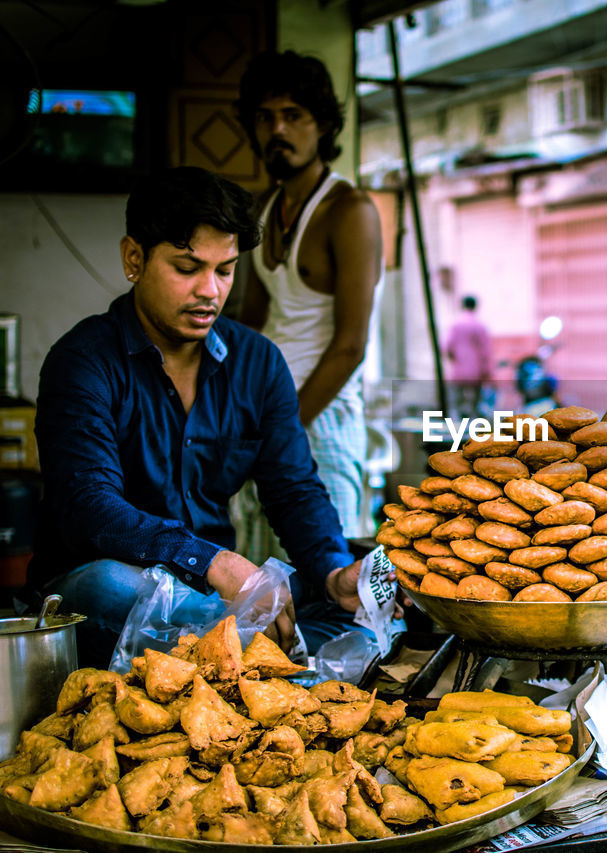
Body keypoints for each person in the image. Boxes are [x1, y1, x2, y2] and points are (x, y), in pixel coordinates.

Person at [28, 166, 365, 667]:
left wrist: (334, 571)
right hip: (104, 590)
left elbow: (293, 489)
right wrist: (212, 560)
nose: (210, 290)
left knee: (361, 611)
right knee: (108, 587)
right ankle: (274, 661)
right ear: (134, 258)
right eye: (187, 268)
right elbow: (89, 506)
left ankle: (254, 654)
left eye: (224, 270)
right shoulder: (82, 361)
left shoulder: (258, 363)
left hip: (213, 596)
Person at [234, 50, 382, 544]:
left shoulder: (350, 209)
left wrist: (283, 428)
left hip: (324, 418)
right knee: (260, 589)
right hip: (266, 414)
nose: (278, 129)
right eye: (265, 117)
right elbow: (251, 321)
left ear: (322, 125)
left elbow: (351, 346)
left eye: (293, 116)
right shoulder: (261, 208)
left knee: (330, 583)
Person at [445, 295, 493, 420]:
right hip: (476, 369)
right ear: (475, 306)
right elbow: (485, 350)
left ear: (462, 305)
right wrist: (487, 370)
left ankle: (457, 424)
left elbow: (448, 347)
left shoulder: (456, 324)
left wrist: (454, 360)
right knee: (475, 403)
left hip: (459, 369)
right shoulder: (479, 326)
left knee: (457, 401)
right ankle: (472, 426)